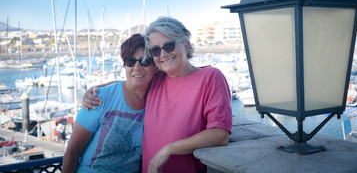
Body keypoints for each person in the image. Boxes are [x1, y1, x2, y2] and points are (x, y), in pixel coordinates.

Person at [83, 16, 232, 173]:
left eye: (169, 46)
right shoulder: (158, 78)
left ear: (186, 46)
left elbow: (219, 134)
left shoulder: (210, 77)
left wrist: (168, 150)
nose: (162, 54)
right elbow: (130, 83)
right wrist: (95, 89)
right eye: (155, 50)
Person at [62, 34, 156, 173]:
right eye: (130, 61)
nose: (137, 67)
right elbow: (72, 151)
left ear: (156, 65)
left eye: (145, 61)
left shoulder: (158, 98)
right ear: (125, 65)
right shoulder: (99, 99)